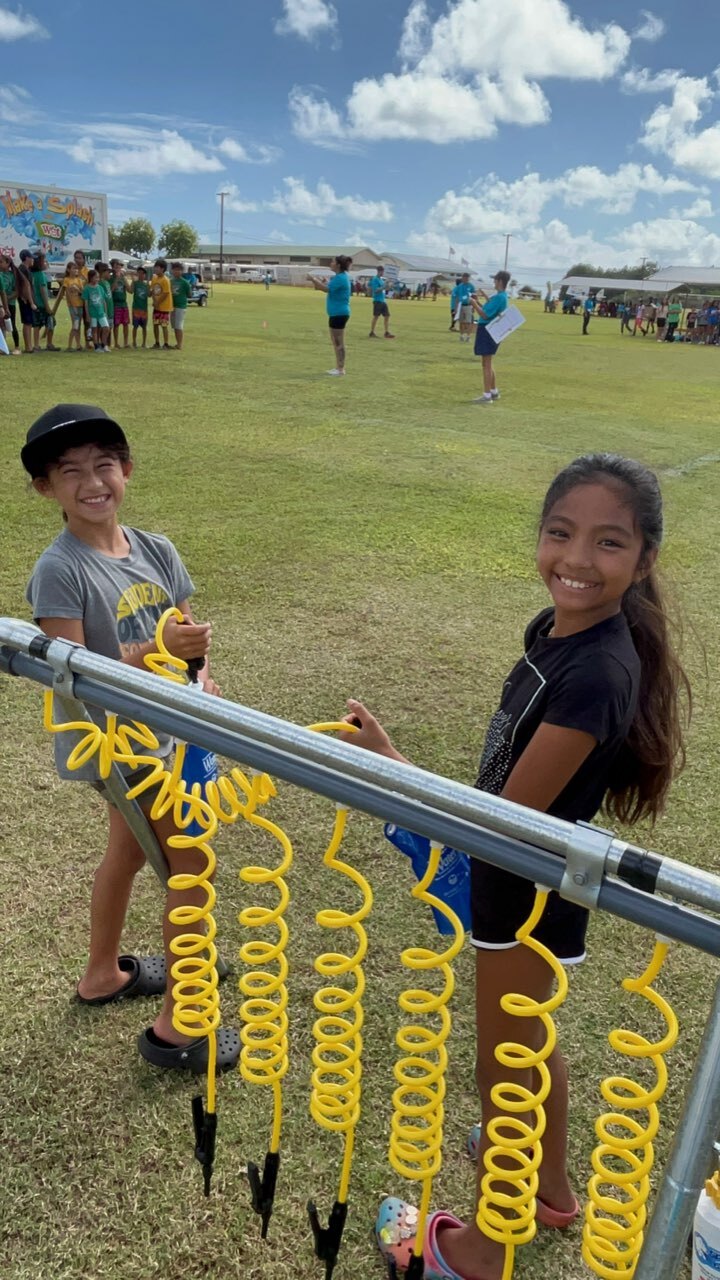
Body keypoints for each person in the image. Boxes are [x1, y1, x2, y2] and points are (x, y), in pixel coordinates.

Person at [340, 452, 689, 1280]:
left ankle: (472, 1256)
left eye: (608, 544)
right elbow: (504, 785)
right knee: (528, 1049)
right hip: (525, 878)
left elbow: (502, 817)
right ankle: (549, 1191)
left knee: (505, 1072)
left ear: (642, 561)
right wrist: (396, 760)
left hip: (525, 894)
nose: (575, 560)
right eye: (561, 534)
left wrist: (392, 776)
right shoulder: (558, 631)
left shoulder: (599, 672)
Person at [22, 403, 240, 1074]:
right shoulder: (60, 570)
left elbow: (188, 632)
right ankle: (180, 1026)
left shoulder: (156, 549)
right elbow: (72, 673)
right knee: (190, 865)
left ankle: (101, 975)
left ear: (127, 471)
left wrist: (201, 675)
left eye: (105, 466)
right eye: (72, 472)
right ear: (46, 488)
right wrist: (155, 653)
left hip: (170, 734)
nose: (93, 483)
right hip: (117, 750)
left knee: (130, 854)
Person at [308, 255, 352, 377]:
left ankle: (341, 369)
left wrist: (313, 279)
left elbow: (326, 289)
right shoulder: (339, 277)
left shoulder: (340, 278)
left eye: (333, 261)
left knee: (339, 342)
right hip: (336, 313)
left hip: (339, 313)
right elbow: (325, 288)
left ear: (338, 265)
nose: (331, 263)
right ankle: (339, 367)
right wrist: (319, 282)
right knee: (336, 341)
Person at [470, 270, 510, 405]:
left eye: (495, 280)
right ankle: (493, 391)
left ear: (500, 281)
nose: (494, 282)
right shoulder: (501, 296)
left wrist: (473, 303)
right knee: (488, 362)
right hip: (491, 331)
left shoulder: (500, 297)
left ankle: (487, 395)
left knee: (486, 364)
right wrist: (479, 302)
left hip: (487, 331)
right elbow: (488, 310)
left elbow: (485, 315)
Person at [52, 261, 85, 351]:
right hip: (72, 306)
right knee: (75, 325)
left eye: (76, 269)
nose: (76, 270)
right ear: (68, 270)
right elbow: (67, 294)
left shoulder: (79, 280)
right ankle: (70, 345)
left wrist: (78, 290)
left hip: (80, 305)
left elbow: (83, 292)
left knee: (78, 326)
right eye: (73, 268)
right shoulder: (67, 280)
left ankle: (78, 344)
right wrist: (72, 305)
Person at [31, 253, 59, 353]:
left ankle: (36, 345)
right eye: (44, 261)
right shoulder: (41, 275)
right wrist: (47, 306)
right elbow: (43, 291)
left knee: (36, 325)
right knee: (51, 322)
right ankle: (49, 343)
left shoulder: (31, 274)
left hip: (35, 303)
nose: (46, 263)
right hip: (42, 304)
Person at [82, 268, 111, 353]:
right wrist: (87, 315)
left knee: (106, 328)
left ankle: (104, 344)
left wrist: (105, 312)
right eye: (95, 277)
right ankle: (96, 346)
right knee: (94, 330)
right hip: (93, 313)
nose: (97, 279)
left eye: (98, 277)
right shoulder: (87, 288)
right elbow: (86, 303)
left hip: (101, 312)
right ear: (90, 278)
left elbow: (103, 301)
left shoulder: (100, 288)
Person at [0, 252, 22, 353]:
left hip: (10, 304)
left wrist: (6, 300)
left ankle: (17, 346)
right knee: (2, 326)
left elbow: (17, 291)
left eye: (1, 262)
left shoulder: (12, 276)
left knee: (11, 324)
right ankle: (3, 346)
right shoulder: (0, 274)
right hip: (1, 304)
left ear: (7, 263)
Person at [16, 249, 37, 353]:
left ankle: (29, 346)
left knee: (28, 322)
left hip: (26, 299)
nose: (33, 260)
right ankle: (28, 347)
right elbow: (26, 286)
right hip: (26, 300)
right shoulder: (23, 269)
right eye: (31, 257)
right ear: (27, 258)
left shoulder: (25, 269)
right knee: (27, 322)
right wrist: (30, 301)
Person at [150, 258, 173, 349]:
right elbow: (152, 290)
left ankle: (166, 344)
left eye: (157, 267)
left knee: (164, 325)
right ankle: (157, 342)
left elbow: (166, 293)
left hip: (164, 307)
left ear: (162, 269)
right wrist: (154, 300)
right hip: (156, 307)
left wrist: (158, 302)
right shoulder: (154, 278)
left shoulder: (165, 280)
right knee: (155, 324)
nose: (155, 269)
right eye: (155, 267)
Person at [368, 265, 395, 340]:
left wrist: (389, 285)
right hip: (377, 300)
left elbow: (385, 288)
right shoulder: (375, 279)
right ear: (379, 271)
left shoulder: (381, 279)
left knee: (387, 316)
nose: (383, 273)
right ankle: (372, 332)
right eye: (382, 271)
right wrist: (384, 286)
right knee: (376, 316)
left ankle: (386, 332)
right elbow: (375, 290)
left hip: (383, 300)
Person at [170, 261, 192, 350]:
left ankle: (180, 344)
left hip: (181, 306)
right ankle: (177, 343)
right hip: (172, 306)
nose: (177, 272)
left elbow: (189, 294)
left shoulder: (185, 282)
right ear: (172, 271)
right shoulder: (170, 281)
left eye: (178, 270)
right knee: (174, 326)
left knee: (179, 325)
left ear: (182, 271)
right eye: (175, 270)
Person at [110, 260, 130, 349]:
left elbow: (130, 290)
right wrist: (117, 278)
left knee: (126, 324)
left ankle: (126, 343)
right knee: (116, 324)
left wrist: (125, 280)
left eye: (120, 266)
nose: (118, 268)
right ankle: (116, 343)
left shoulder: (123, 278)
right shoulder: (111, 278)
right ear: (113, 268)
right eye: (116, 266)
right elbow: (111, 290)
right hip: (115, 304)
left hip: (124, 304)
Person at [130, 266, 149, 349]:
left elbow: (149, 294)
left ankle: (144, 343)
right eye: (139, 273)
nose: (141, 275)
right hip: (136, 308)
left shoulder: (146, 285)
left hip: (144, 309)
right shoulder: (135, 283)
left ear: (145, 275)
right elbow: (131, 291)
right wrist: (132, 280)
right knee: (135, 326)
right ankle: (134, 342)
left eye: (142, 273)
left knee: (144, 327)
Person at [96, 263, 114, 350]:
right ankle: (102, 344)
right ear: (103, 272)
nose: (109, 274)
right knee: (104, 328)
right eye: (108, 272)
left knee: (109, 328)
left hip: (110, 308)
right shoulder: (100, 284)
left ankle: (106, 344)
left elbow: (109, 295)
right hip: (104, 309)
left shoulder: (107, 282)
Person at [457, 272, 476, 343]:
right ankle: (461, 336)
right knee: (461, 322)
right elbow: (457, 297)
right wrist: (456, 308)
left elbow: (474, 297)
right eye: (464, 278)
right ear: (462, 278)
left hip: (468, 306)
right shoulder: (460, 286)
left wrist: (474, 307)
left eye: (467, 278)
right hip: (461, 305)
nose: (466, 279)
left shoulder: (471, 286)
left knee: (469, 322)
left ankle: (468, 336)